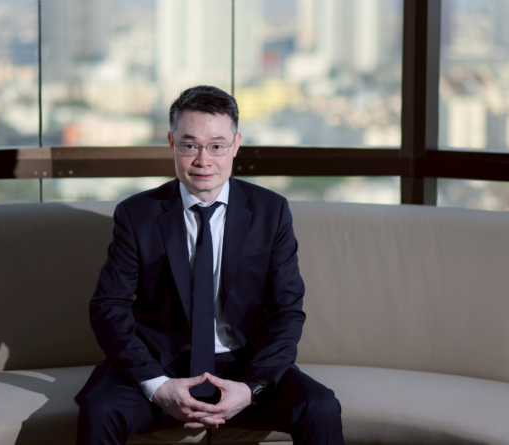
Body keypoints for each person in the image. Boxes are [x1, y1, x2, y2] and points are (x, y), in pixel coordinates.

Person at [75, 85, 343, 444]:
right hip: (163, 365)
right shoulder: (136, 215)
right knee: (101, 410)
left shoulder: (271, 212)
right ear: (171, 144)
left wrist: (250, 388)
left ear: (236, 145)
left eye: (217, 146)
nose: (203, 160)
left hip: (244, 366)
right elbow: (109, 306)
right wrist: (158, 386)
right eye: (190, 146)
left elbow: (286, 311)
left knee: (320, 406)